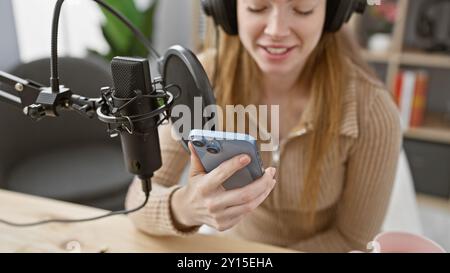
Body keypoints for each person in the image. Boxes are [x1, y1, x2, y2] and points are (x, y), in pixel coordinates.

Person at [125, 0, 402, 253]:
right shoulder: (203, 79)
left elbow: (355, 241)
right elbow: (139, 200)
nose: (276, 30)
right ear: (228, 10)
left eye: (303, 9)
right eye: (257, 7)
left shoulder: (373, 112)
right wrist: (186, 207)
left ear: (332, 12)